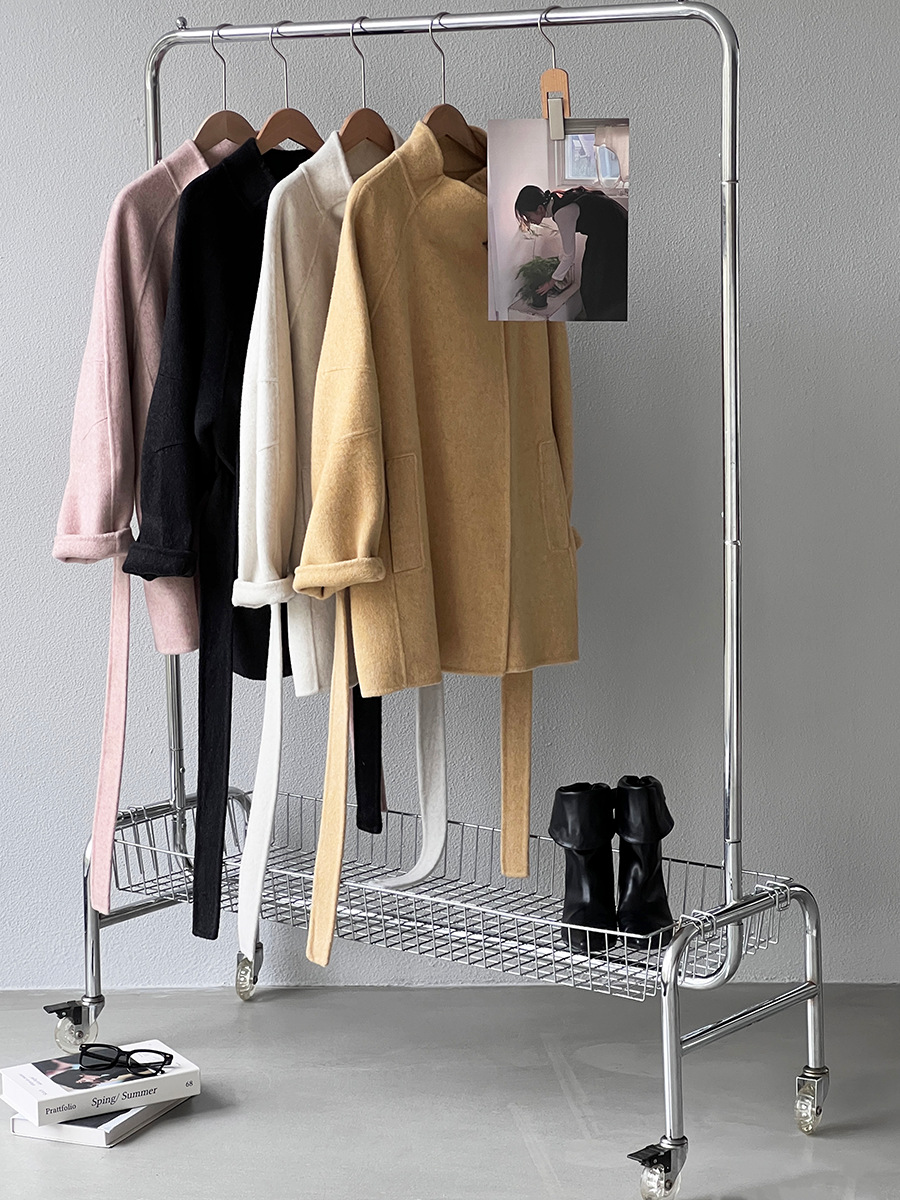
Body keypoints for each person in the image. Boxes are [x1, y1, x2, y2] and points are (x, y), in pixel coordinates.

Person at [514, 184, 628, 320]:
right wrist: (557, 270)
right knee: (594, 281)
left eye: (528, 216)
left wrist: (551, 283)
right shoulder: (558, 201)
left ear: (539, 209)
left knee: (596, 284)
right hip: (606, 231)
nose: (529, 221)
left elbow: (569, 256)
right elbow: (566, 249)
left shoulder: (562, 213)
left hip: (614, 232)